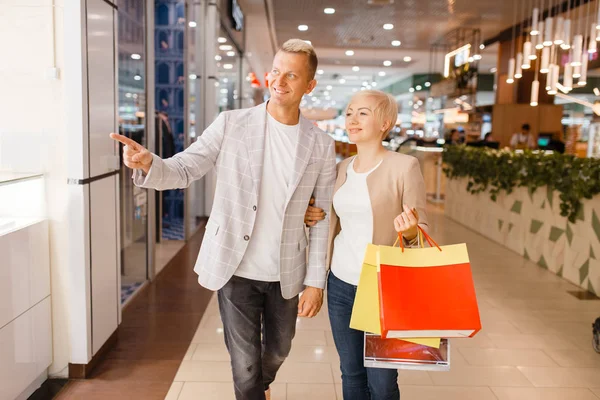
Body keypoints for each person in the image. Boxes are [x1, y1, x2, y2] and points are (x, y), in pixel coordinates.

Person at [110, 39, 336, 400]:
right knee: (245, 363)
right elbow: (186, 167)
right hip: (235, 265)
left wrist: (315, 282)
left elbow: (322, 215)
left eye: (292, 75)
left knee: (278, 351)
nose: (279, 81)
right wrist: (151, 163)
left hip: (287, 269)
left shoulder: (321, 145)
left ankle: (258, 388)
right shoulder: (232, 123)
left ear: (309, 85)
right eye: (276, 71)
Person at [305, 90, 429, 400]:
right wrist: (310, 214)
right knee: (352, 372)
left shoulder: (405, 166)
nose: (352, 119)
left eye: (363, 112)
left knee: (383, 380)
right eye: (349, 112)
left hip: (384, 287)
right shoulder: (341, 168)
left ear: (385, 122)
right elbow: (330, 220)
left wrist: (412, 230)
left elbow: (423, 228)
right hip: (341, 284)